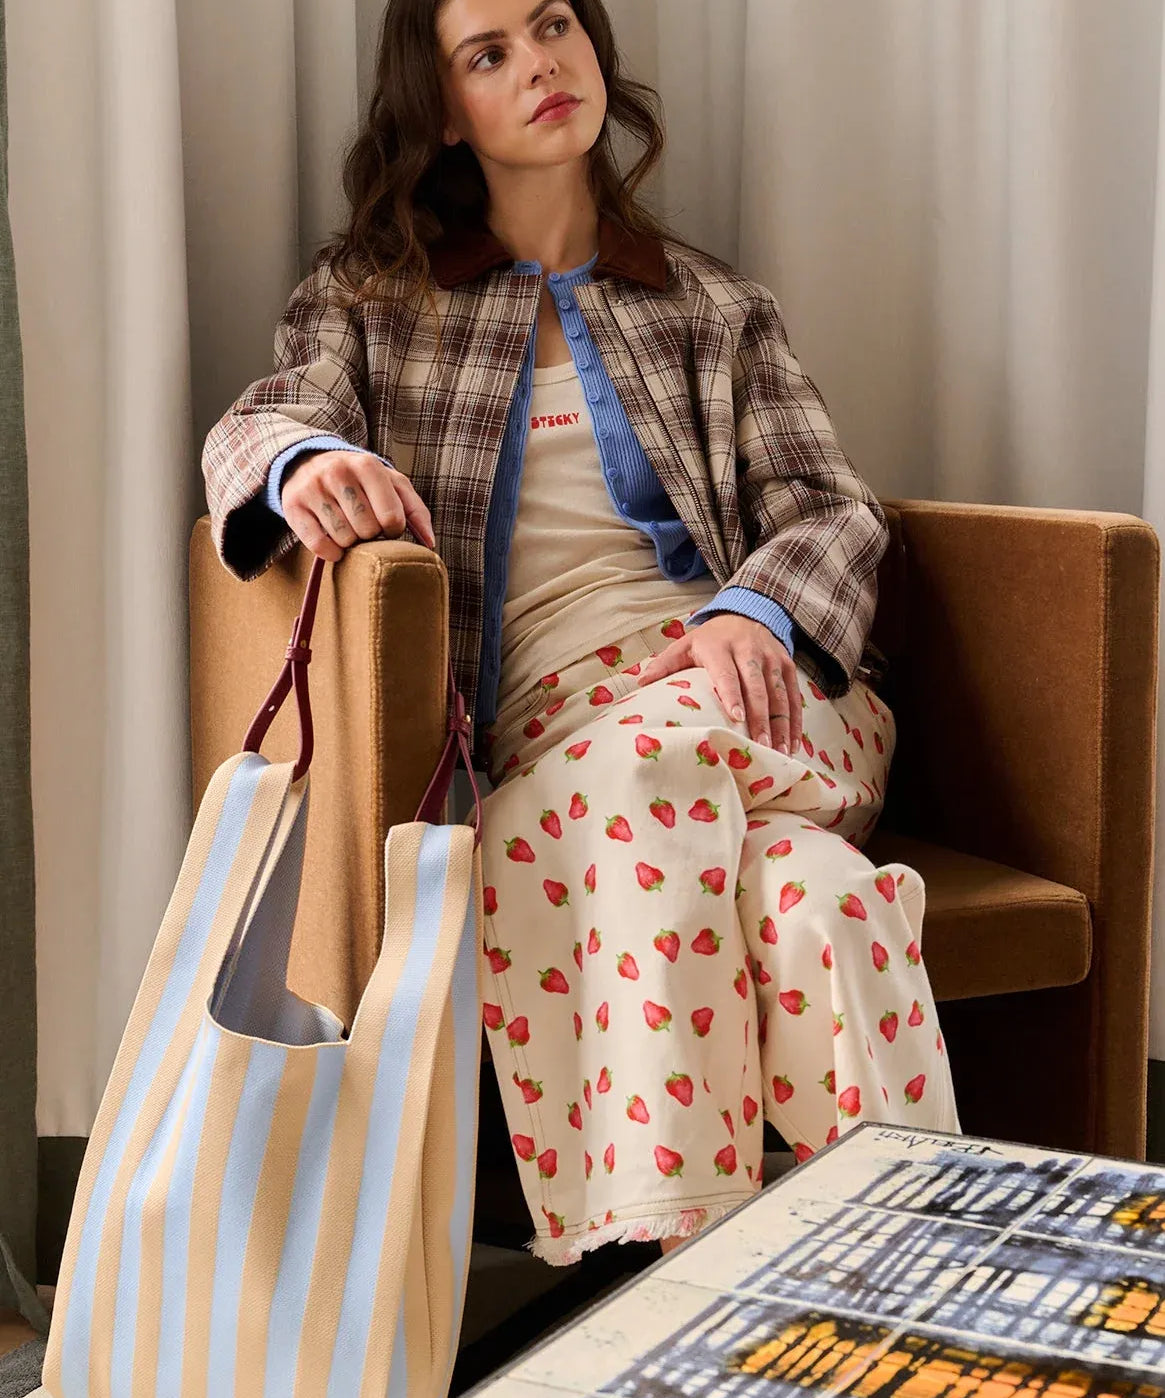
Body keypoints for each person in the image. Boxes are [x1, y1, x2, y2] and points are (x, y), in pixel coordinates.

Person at [201, 0, 961, 1269]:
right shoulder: (374, 301)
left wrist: (751, 611)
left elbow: (829, 507)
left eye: (553, 23)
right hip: (561, 732)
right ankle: (907, 1272)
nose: (540, 62)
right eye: (488, 53)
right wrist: (304, 462)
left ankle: (677, 1268)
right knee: (815, 903)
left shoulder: (712, 307)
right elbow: (258, 422)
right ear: (447, 111)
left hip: (770, 696)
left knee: (645, 767)